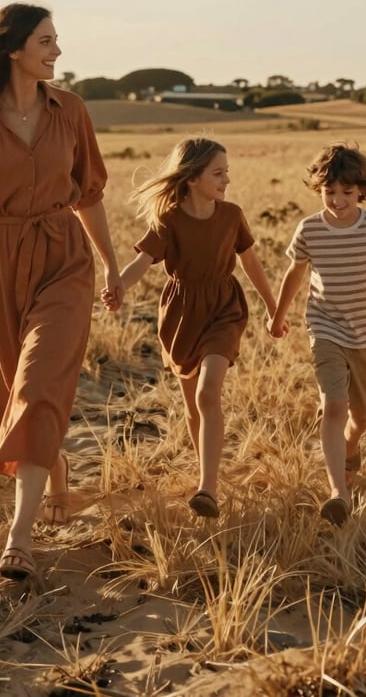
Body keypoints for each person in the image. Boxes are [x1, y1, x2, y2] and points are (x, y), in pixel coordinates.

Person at [0, 3, 122, 580]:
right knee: (16, 390)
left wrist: (109, 265)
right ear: (13, 50)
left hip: (64, 259)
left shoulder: (72, 111)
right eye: (45, 41)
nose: (56, 51)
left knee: (36, 387)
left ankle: (19, 538)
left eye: (56, 40)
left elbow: (89, 195)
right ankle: (52, 465)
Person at [104, 137, 277, 519]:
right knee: (193, 406)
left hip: (223, 309)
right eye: (218, 173)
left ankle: (207, 490)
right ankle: (207, 473)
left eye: (227, 172)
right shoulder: (169, 219)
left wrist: (272, 305)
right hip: (182, 314)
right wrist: (118, 286)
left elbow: (251, 264)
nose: (226, 180)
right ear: (193, 177)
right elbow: (141, 263)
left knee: (208, 392)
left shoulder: (231, 215)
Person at [268, 143, 366, 525]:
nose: (337, 200)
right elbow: (295, 274)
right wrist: (278, 315)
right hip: (324, 327)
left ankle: (350, 447)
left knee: (360, 417)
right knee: (334, 406)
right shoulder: (309, 229)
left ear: (361, 191)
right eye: (330, 192)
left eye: (347, 192)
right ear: (319, 189)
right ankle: (338, 492)